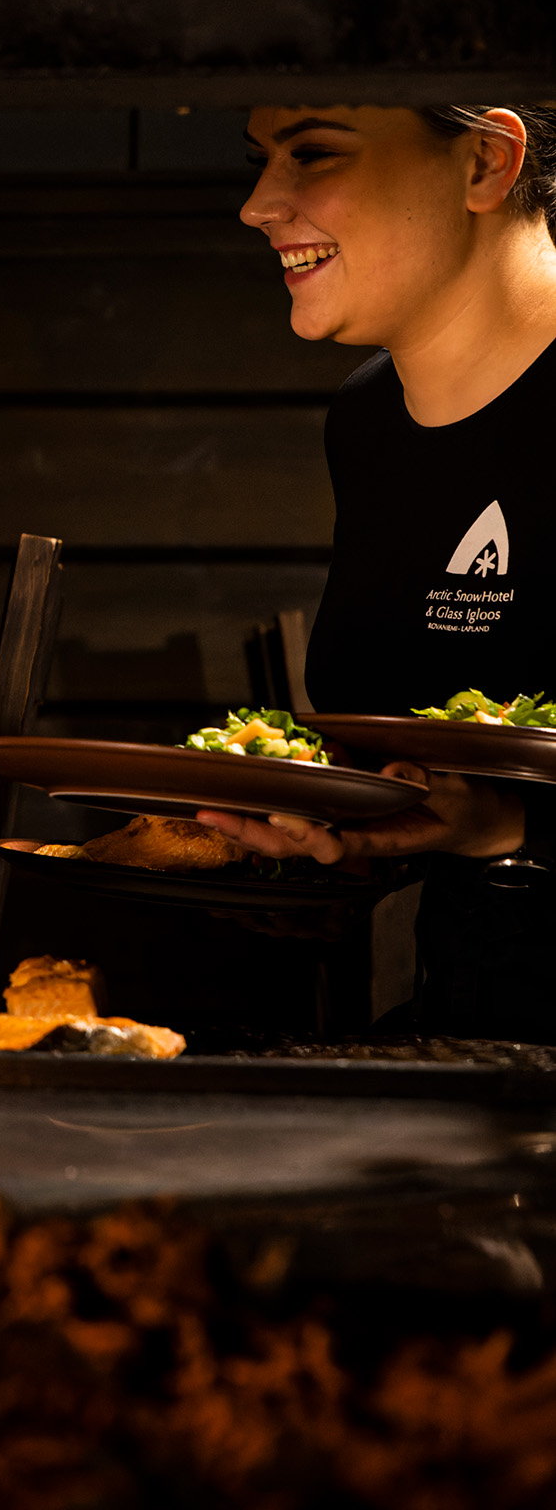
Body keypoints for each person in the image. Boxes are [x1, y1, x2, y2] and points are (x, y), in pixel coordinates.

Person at [204, 104, 556, 1031]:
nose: (257, 204)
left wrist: (513, 829)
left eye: (313, 153)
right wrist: (325, 841)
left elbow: (495, 815)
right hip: (475, 1050)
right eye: (262, 160)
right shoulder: (365, 424)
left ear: (485, 161)